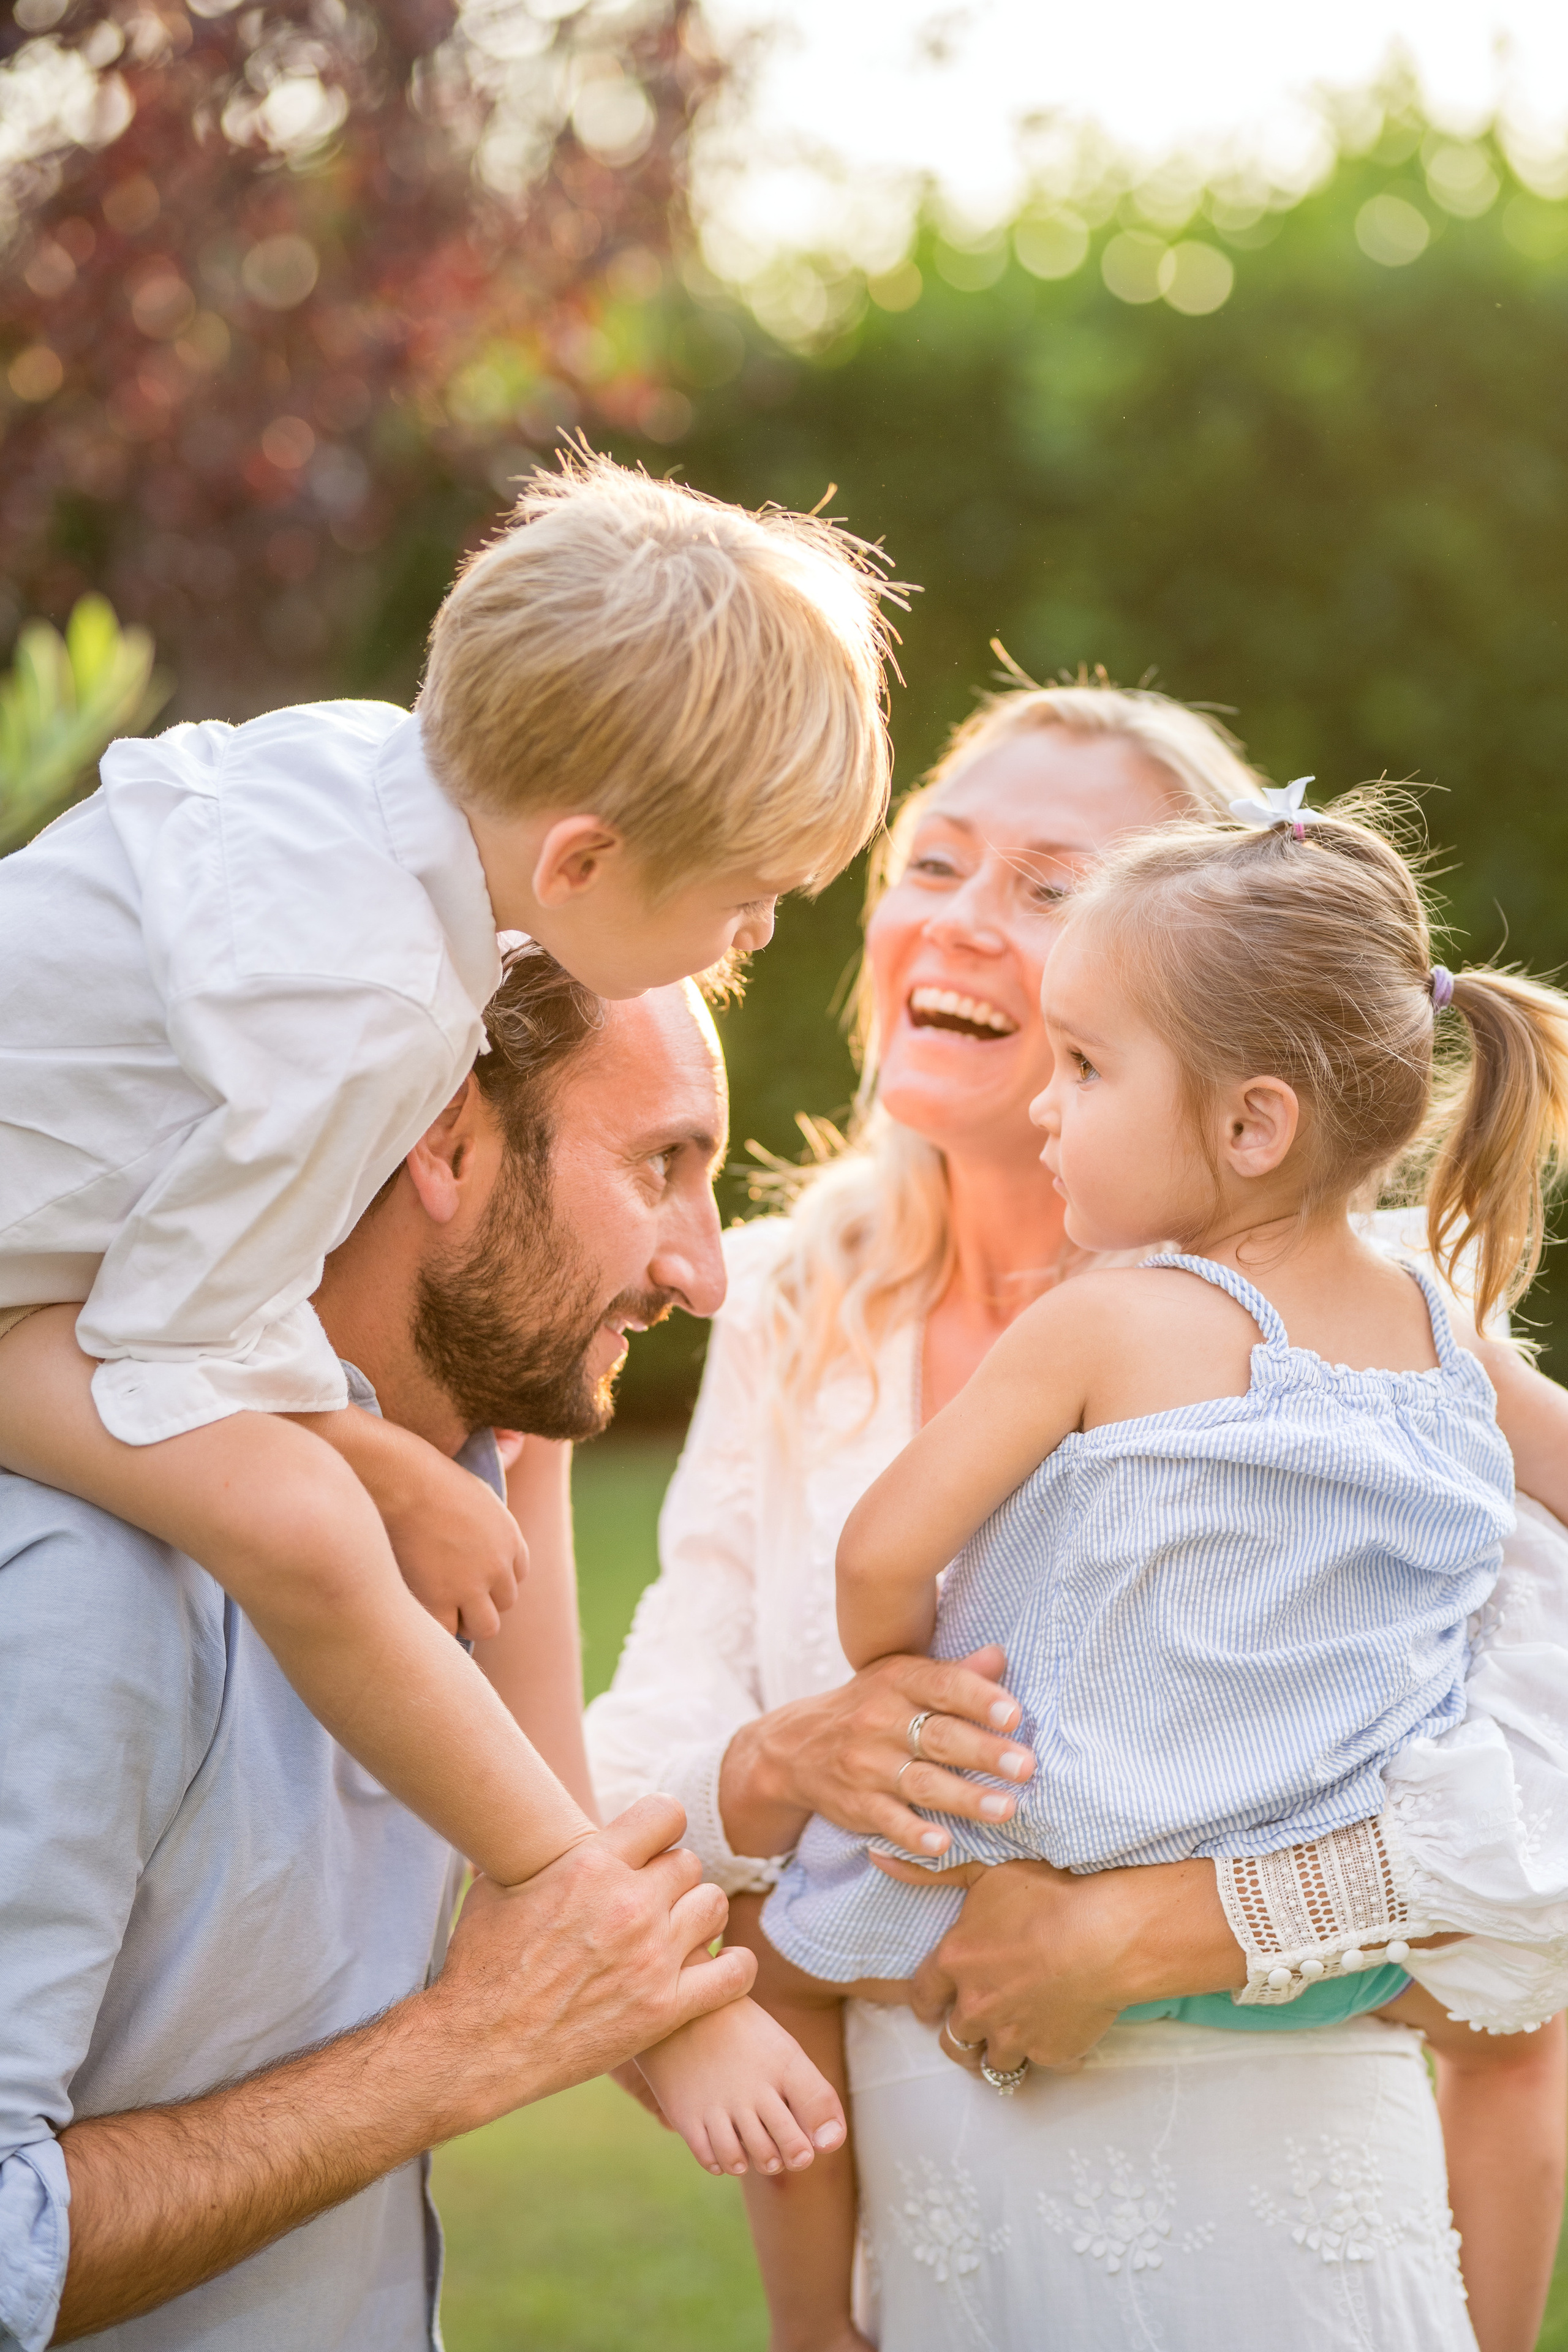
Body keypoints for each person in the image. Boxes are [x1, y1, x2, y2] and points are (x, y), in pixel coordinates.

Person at [586, 683, 1568, 2352]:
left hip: (1285, 2173)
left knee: (809, 1928)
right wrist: (798, 1753)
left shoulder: (1389, 1318)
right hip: (956, 2246)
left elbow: (1533, 1864)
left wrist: (1136, 1930)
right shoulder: (786, 1301)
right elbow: (620, 1785)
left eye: (1050, 892)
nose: (970, 924)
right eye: (939, 860)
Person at [0, 453, 893, 2170]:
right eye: (747, 901)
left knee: (426, 1461)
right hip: (58, 1302)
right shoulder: (364, 1009)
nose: (758, 930)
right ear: (582, 859)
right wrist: (375, 1464)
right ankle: (577, 1906)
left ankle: (619, 1932)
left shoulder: (367, 780)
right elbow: (174, 1336)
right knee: (308, 1533)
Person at [0, 943, 778, 2352]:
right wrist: (460, 2049)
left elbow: (572, 1867)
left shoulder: (468, 1498)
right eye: (660, 1163)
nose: (704, 1271)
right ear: (447, 1141)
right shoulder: (88, 1581)